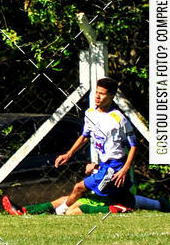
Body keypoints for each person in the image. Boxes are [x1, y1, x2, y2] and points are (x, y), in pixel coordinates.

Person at [53, 76, 137, 215]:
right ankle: (157, 205)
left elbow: (133, 145)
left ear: (111, 96)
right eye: (96, 92)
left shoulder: (119, 119)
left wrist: (124, 169)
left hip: (114, 166)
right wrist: (68, 154)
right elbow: (85, 136)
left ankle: (59, 212)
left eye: (102, 94)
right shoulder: (90, 113)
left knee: (79, 188)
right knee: (121, 199)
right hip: (104, 165)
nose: (97, 96)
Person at [2, 191, 170, 216]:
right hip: (122, 196)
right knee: (65, 200)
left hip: (117, 196)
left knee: (71, 210)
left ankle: (114, 209)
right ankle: (24, 210)